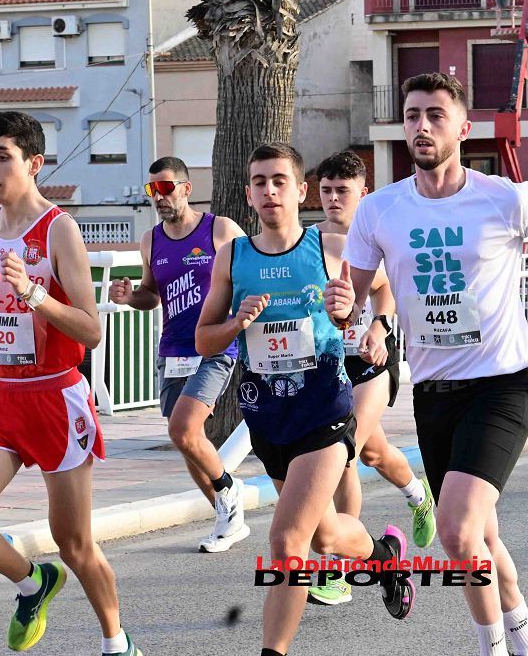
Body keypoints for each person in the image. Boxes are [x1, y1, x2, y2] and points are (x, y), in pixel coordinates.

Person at [336, 72, 528, 656]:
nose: (422, 126)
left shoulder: (506, 197)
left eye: (435, 114)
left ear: (464, 127)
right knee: (482, 534)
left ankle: (492, 648)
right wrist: (348, 314)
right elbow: (351, 296)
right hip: (432, 394)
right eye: (411, 115)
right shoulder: (380, 210)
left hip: (500, 389)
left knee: (456, 533)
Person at [196, 143, 414, 656]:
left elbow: (386, 288)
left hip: (323, 411)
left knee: (286, 543)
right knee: (322, 536)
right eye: (259, 182)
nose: (269, 191)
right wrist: (236, 323)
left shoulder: (329, 248)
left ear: (300, 190)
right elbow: (205, 339)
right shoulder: (233, 256)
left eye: (279, 180)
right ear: (249, 195)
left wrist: (372, 322)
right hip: (267, 416)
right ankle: (383, 555)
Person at [0, 112, 141, 655]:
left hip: (55, 397)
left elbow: (91, 330)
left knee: (74, 544)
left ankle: (116, 643)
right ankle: (33, 583)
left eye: (1, 156)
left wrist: (34, 294)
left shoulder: (59, 229)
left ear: (34, 163)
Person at [306, 150, 436, 607]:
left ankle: (336, 570)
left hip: (370, 359)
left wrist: (380, 327)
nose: (334, 199)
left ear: (364, 192)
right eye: (326, 190)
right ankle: (418, 495)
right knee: (376, 452)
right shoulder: (308, 241)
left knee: (344, 453)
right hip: (329, 366)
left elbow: (385, 289)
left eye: (343, 190)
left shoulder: (375, 234)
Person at [109, 156, 249, 553]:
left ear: (186, 189)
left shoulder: (219, 230)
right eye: (152, 190)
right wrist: (130, 296)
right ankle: (227, 516)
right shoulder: (151, 240)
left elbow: (252, 270)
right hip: (173, 349)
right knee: (186, 438)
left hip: (215, 345)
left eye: (166, 188)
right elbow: (151, 294)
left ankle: (228, 489)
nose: (159, 197)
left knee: (184, 429)